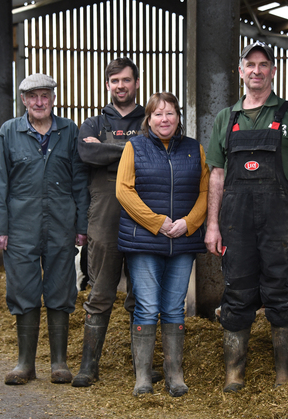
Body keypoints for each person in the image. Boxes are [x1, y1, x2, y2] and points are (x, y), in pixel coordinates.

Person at [204, 40, 288, 391]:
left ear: (273, 70)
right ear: (241, 71)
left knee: (282, 289)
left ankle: (284, 372)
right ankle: (234, 374)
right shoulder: (226, 118)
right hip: (236, 221)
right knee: (237, 290)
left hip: (280, 219)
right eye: (249, 64)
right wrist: (212, 224)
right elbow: (217, 176)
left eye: (263, 64)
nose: (256, 70)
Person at [0, 73, 90, 385]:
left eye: (45, 95)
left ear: (53, 98)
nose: (39, 102)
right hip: (20, 224)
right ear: (24, 100)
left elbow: (80, 180)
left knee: (61, 288)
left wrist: (82, 224)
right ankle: (24, 364)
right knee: (23, 290)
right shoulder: (9, 131)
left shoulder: (69, 130)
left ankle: (59, 362)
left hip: (61, 221)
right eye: (33, 97)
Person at [73, 57, 164, 387]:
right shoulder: (93, 123)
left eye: (126, 80)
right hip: (105, 218)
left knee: (141, 296)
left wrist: (109, 148)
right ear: (108, 85)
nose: (121, 86)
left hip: (143, 215)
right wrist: (134, 148)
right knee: (100, 292)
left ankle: (142, 367)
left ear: (137, 83)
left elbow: (158, 148)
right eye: (115, 81)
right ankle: (88, 366)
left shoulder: (151, 118)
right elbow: (87, 155)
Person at [116, 92, 209, 397]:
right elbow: (124, 191)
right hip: (145, 241)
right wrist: (158, 222)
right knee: (147, 307)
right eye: (158, 114)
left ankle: (175, 375)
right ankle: (142, 376)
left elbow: (206, 192)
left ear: (179, 117)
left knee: (173, 308)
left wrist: (189, 223)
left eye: (170, 113)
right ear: (149, 119)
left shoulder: (195, 149)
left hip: (182, 241)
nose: (164, 119)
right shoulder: (134, 147)